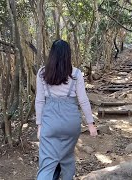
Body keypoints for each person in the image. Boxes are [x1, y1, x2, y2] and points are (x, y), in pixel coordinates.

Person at [35, 39, 97, 180]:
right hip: (71, 123)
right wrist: (90, 124)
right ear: (68, 55)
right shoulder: (76, 74)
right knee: (67, 158)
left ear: (52, 55)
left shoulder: (42, 73)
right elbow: (83, 100)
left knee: (47, 162)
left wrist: (39, 125)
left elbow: (39, 100)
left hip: (50, 123)